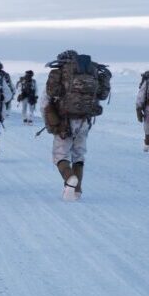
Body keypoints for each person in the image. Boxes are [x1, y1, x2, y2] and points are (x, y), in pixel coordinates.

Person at [41, 50, 111, 201]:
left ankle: (70, 179)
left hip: (64, 121)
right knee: (79, 155)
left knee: (60, 155)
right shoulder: (90, 74)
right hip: (84, 120)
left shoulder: (60, 75)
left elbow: (45, 102)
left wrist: (50, 123)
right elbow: (99, 96)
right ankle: (77, 191)